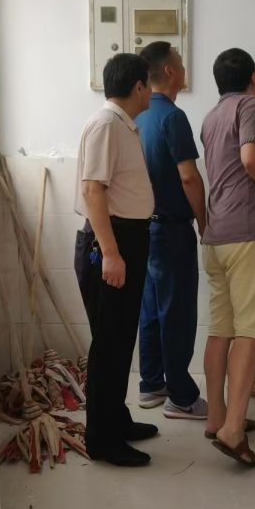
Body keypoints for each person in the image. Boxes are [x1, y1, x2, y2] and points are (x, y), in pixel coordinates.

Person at [200, 47, 255, 467]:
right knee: (250, 334)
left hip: (216, 238)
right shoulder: (251, 106)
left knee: (221, 330)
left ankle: (216, 417)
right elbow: (251, 159)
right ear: (254, 77)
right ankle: (233, 430)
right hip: (246, 236)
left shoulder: (212, 116)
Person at [74, 52, 157, 467]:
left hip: (126, 238)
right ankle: (102, 440)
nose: (151, 92)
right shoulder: (107, 124)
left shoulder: (122, 125)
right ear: (138, 86)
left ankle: (116, 419)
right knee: (109, 344)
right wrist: (110, 253)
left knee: (121, 339)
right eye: (148, 84)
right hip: (112, 242)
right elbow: (93, 190)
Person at [135, 41, 209, 420]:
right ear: (169, 71)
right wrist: (204, 221)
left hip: (144, 229)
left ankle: (151, 383)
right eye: (179, 62)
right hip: (172, 230)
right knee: (177, 312)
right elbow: (188, 177)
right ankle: (180, 396)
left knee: (150, 308)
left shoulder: (139, 115)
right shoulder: (172, 117)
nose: (182, 68)